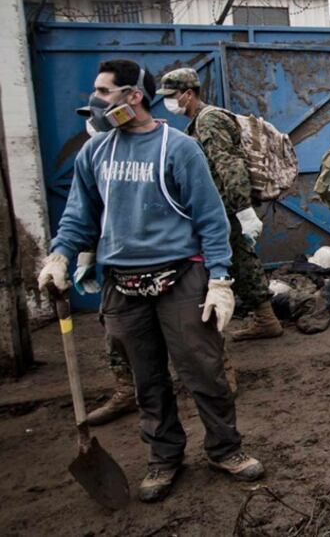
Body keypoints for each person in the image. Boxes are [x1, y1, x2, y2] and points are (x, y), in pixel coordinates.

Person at [37, 59, 262, 502]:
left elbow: (211, 218)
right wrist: (60, 256)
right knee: (146, 379)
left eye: (103, 92)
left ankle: (225, 449)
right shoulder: (95, 153)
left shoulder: (178, 148)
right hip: (122, 284)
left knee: (204, 370)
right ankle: (164, 458)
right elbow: (79, 216)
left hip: (181, 279)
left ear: (133, 96)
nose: (95, 100)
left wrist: (219, 278)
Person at [157, 68, 281, 341]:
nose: (168, 101)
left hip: (228, 207)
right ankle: (263, 317)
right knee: (238, 260)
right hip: (221, 206)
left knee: (240, 260)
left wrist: (244, 211)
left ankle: (265, 319)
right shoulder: (199, 122)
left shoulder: (209, 120)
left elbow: (229, 166)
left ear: (188, 94)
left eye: (172, 95)